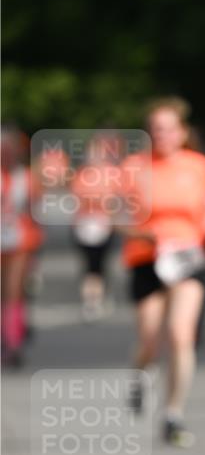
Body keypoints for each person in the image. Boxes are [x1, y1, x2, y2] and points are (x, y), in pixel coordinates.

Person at [120, 97, 205, 447]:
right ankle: (140, 375)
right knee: (150, 339)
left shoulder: (198, 166)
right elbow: (116, 217)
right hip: (147, 258)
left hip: (188, 258)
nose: (161, 135)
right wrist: (143, 233)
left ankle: (173, 413)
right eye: (155, 129)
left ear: (182, 132)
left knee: (181, 334)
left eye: (167, 129)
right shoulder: (134, 167)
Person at [1, 126, 42, 367]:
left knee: (14, 291)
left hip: (20, 240)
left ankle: (13, 341)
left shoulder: (26, 177)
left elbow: (35, 211)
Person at [70, 132, 120, 321]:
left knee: (101, 264)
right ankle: (91, 300)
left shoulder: (111, 173)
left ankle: (100, 295)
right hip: (85, 225)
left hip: (104, 224)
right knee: (89, 265)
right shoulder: (81, 174)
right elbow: (77, 198)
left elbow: (115, 199)